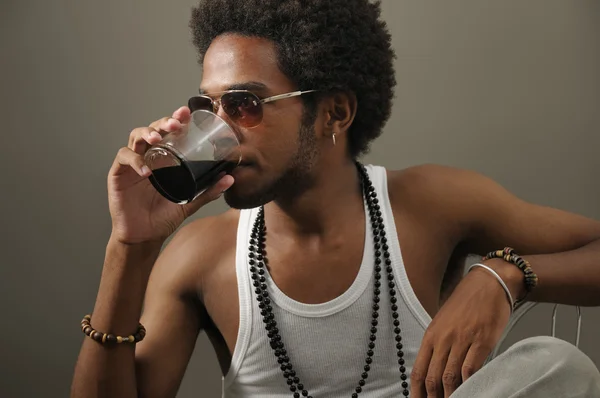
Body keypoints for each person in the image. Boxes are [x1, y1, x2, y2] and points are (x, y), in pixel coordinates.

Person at [71, 1, 600, 397]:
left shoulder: (432, 204)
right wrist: (130, 246)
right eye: (207, 106)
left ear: (335, 113)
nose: (217, 130)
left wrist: (504, 277)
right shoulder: (200, 256)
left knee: (559, 364)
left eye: (244, 104)